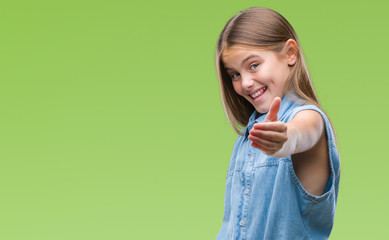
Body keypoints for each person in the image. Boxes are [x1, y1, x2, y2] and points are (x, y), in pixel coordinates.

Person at [214, 7, 340, 240]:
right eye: (235, 74)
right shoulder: (248, 136)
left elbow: (304, 132)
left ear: (290, 53)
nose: (246, 83)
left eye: (253, 65)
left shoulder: (308, 118)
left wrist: (286, 139)